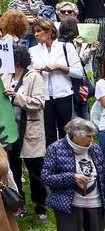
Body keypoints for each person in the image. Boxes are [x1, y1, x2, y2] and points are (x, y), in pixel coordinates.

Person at [41, 117, 105, 231]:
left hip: (95, 205)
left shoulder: (95, 149)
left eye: (92, 135)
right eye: (88, 136)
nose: (92, 139)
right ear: (75, 135)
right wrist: (72, 177)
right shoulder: (55, 149)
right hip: (68, 207)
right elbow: (46, 177)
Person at [5, 45, 48, 221]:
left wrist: (16, 98)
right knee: (13, 170)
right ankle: (19, 204)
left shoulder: (34, 77)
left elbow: (38, 103)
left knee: (35, 171)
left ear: (19, 60)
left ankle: (41, 206)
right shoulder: (5, 76)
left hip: (29, 130)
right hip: (10, 131)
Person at [31, 17, 84, 147]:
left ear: (50, 32)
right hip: (43, 96)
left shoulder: (66, 47)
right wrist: (36, 72)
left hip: (63, 94)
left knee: (65, 130)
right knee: (47, 132)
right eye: (34, 32)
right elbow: (29, 74)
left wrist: (59, 67)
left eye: (39, 31)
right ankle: (51, 160)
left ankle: (66, 158)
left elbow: (79, 72)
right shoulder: (32, 51)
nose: (36, 34)